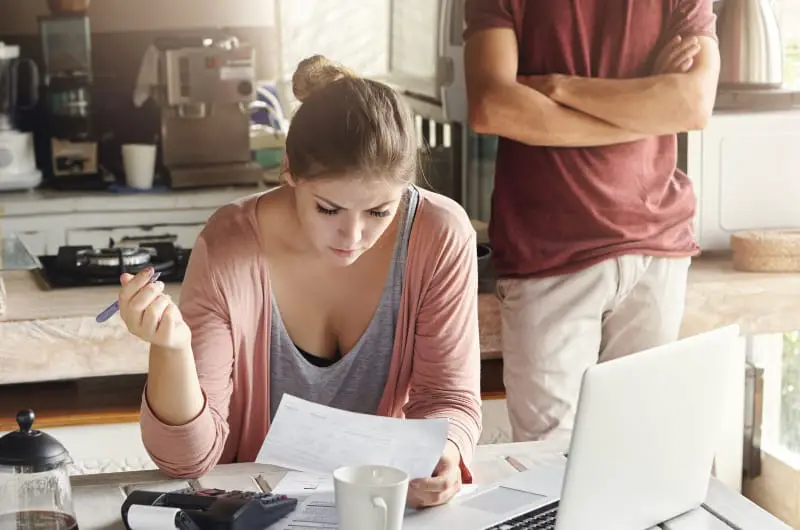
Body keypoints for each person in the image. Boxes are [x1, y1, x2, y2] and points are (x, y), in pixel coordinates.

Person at [117, 55, 482, 508]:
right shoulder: (229, 245)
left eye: (378, 213)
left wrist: (444, 453)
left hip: (381, 509)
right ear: (289, 170)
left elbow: (447, 397)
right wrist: (170, 350)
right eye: (328, 209)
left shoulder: (439, 233)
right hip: (253, 511)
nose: (353, 237)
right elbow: (185, 462)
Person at [462, 1, 720, 443]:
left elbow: (692, 104)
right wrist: (643, 102)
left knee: (639, 448)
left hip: (655, 248)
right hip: (549, 254)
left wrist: (560, 88)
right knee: (548, 464)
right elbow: (492, 106)